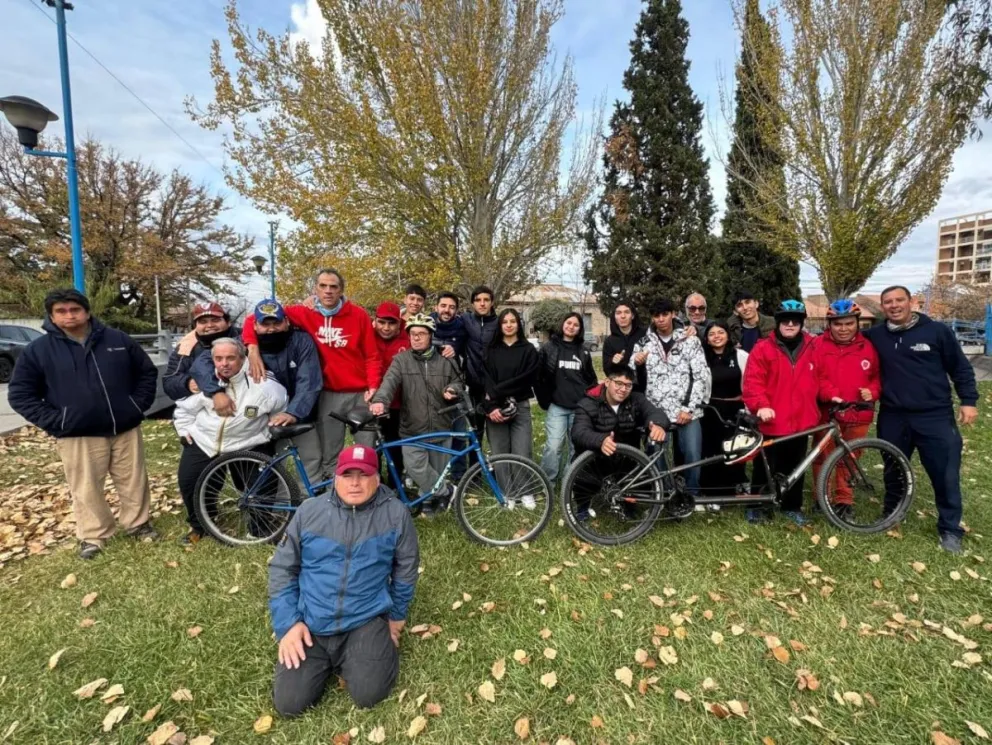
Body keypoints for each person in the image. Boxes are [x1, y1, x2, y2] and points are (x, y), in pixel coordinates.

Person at [8, 288, 160, 559]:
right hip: (77, 434)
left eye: (75, 309)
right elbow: (20, 394)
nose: (69, 316)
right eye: (61, 311)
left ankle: (138, 524)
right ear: (52, 317)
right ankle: (94, 535)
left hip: (123, 427)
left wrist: (136, 406)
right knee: (86, 487)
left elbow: (146, 373)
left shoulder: (118, 340)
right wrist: (58, 421)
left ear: (87, 311)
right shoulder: (38, 351)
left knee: (133, 480)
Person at [269, 444, 419, 716]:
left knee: (369, 695)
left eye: (363, 475)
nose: (355, 483)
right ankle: (329, 660)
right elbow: (282, 568)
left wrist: (397, 616)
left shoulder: (396, 514)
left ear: (376, 477)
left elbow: (406, 568)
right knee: (288, 705)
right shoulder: (308, 511)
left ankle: (362, 654)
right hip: (311, 621)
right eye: (347, 475)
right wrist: (288, 624)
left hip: (365, 619)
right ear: (335, 477)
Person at [864, 285, 979, 554]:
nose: (894, 306)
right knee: (894, 470)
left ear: (912, 302)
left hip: (934, 416)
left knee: (945, 474)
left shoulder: (937, 331)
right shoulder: (875, 335)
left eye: (899, 300)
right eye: (888, 302)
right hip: (893, 415)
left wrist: (969, 401)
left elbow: (960, 368)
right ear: (882, 307)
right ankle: (892, 514)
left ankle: (950, 530)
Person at [243, 269, 381, 479]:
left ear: (341, 290)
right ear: (315, 289)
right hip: (327, 393)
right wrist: (252, 347)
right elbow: (254, 318)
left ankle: (370, 489)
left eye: (333, 286)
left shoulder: (359, 315)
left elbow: (372, 355)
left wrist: (373, 387)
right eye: (323, 286)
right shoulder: (302, 312)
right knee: (330, 451)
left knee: (367, 448)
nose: (328, 291)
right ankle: (332, 494)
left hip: (360, 393)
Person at [190, 299, 323, 483]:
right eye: (265, 324)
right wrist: (216, 392)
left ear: (286, 322)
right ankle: (277, 506)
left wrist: (294, 412)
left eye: (276, 323)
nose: (271, 329)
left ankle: (309, 505)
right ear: (255, 325)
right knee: (269, 468)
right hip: (256, 418)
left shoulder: (301, 341)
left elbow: (309, 380)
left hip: (298, 412)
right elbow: (202, 363)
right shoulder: (241, 343)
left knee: (310, 458)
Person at [173, 338, 288, 543]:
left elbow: (280, 409)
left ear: (243, 359)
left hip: (248, 443)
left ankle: (260, 529)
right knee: (189, 481)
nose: (224, 363)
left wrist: (268, 433)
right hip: (205, 441)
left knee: (261, 485)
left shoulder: (265, 385)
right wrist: (184, 431)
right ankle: (201, 526)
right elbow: (184, 409)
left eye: (230, 358)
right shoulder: (205, 381)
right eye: (218, 358)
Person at [370, 314, 463, 514]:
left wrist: (454, 389)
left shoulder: (446, 360)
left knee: (436, 471)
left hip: (441, 423)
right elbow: (389, 383)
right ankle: (447, 492)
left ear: (431, 336)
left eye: (421, 334)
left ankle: (429, 501)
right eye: (413, 334)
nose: (416, 338)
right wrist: (380, 400)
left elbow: (459, 381)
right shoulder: (401, 361)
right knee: (415, 467)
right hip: (412, 427)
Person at [742, 300, 820, 525]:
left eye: (795, 320)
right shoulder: (763, 347)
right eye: (785, 320)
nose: (790, 324)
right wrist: (761, 405)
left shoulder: (813, 346)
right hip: (771, 420)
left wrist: (832, 395)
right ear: (778, 323)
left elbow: (822, 377)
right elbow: (753, 381)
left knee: (795, 466)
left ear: (801, 323)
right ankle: (758, 505)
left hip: (801, 419)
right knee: (764, 466)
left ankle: (791, 505)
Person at [631, 299, 710, 495]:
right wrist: (636, 363)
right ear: (652, 318)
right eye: (656, 316)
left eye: (665, 314)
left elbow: (700, 375)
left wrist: (688, 408)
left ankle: (692, 493)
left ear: (673, 314)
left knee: (692, 453)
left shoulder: (690, 340)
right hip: (657, 412)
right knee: (655, 451)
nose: (661, 319)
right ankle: (666, 492)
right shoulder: (643, 343)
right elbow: (630, 377)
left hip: (687, 410)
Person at [810, 300, 881, 519]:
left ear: (857, 323)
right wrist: (830, 394)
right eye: (838, 324)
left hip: (858, 412)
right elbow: (814, 376)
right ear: (829, 324)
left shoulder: (868, 347)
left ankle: (844, 499)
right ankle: (821, 497)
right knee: (822, 455)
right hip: (827, 411)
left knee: (848, 457)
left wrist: (873, 391)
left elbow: (877, 377)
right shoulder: (818, 345)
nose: (843, 329)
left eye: (848, 323)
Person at [570, 369, 669, 521]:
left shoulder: (636, 399)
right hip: (597, 459)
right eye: (619, 383)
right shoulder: (587, 403)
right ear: (607, 382)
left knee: (637, 471)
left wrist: (657, 424)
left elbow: (654, 411)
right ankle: (583, 506)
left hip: (626, 460)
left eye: (628, 385)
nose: (623, 389)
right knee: (583, 471)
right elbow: (578, 431)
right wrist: (600, 440)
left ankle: (628, 504)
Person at [536, 313, 598, 489]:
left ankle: (569, 483)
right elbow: (539, 377)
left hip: (580, 408)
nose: (571, 327)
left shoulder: (584, 350)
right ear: (563, 324)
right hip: (557, 406)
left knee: (575, 447)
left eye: (576, 325)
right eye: (568, 323)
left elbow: (591, 380)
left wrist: (589, 402)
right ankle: (547, 483)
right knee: (553, 446)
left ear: (580, 329)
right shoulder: (548, 348)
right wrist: (545, 400)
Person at [700, 321, 750, 496]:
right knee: (711, 449)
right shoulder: (702, 357)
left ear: (727, 335)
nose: (716, 337)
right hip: (710, 409)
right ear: (706, 339)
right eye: (712, 334)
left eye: (720, 332)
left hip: (736, 408)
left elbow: (750, 382)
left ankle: (733, 486)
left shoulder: (741, 355)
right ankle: (711, 489)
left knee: (734, 448)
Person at [484, 309, 540, 463]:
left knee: (522, 455)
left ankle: (521, 488)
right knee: (499, 455)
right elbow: (486, 378)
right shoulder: (491, 349)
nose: (509, 325)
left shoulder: (528, 350)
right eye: (505, 322)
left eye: (513, 321)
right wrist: (491, 406)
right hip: (495, 408)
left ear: (519, 324)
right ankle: (504, 488)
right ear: (500, 325)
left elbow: (526, 380)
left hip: (520, 406)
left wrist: (496, 391)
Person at [163, 301, 240, 401]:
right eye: (203, 322)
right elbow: (169, 381)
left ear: (228, 322)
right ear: (196, 326)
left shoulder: (245, 338)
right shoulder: (186, 346)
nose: (210, 325)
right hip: (204, 404)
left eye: (215, 320)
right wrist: (187, 383)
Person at [371, 302, 409, 489]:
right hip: (372, 402)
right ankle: (375, 484)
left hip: (398, 404)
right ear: (375, 321)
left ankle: (396, 485)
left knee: (395, 445)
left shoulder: (407, 340)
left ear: (399, 324)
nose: (386, 328)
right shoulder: (367, 338)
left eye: (391, 323)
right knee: (373, 446)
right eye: (382, 322)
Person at [602, 300, 647, 392]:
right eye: (618, 313)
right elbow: (607, 370)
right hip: (622, 391)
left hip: (646, 388)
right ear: (614, 317)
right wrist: (613, 361)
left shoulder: (645, 333)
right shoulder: (609, 341)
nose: (623, 316)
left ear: (633, 315)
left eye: (627, 312)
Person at [431, 292, 467, 362]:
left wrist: (455, 349)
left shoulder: (463, 329)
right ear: (436, 308)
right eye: (443, 306)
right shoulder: (425, 327)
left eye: (452, 307)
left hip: (452, 370)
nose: (447, 310)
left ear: (456, 311)